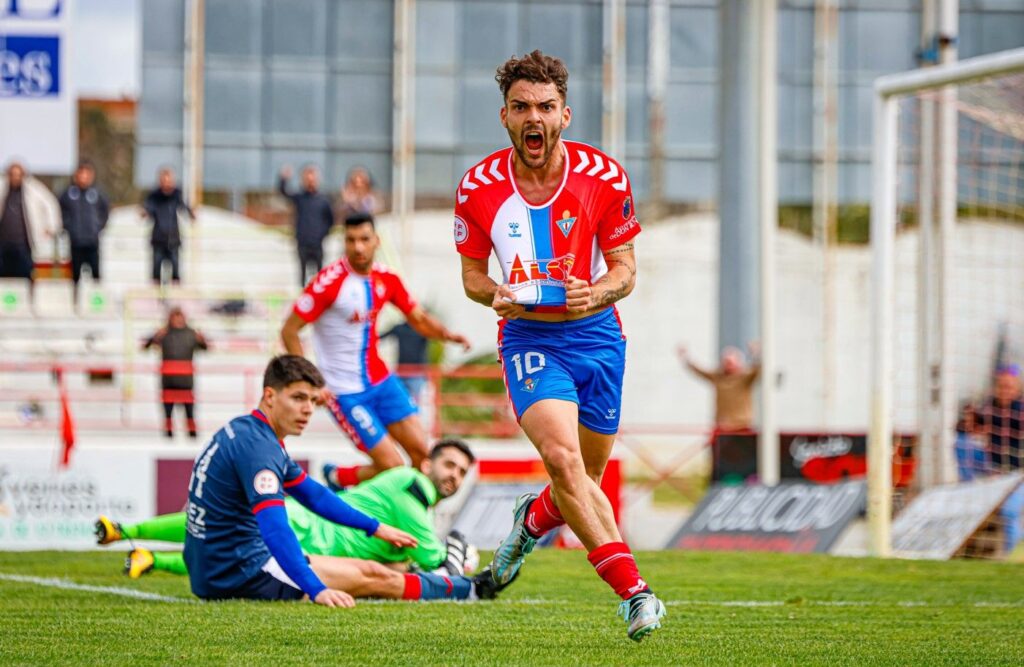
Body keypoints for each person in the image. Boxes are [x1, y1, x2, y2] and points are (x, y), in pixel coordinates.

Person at [454, 50, 664, 641]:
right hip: (527, 337)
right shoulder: (479, 186)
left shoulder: (604, 176)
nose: (533, 117)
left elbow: (625, 273)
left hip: (597, 335)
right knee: (566, 463)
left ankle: (529, 523)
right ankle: (634, 592)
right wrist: (497, 294)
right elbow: (471, 279)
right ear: (505, 117)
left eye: (545, 107)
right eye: (521, 107)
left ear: (564, 115)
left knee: (584, 484)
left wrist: (591, 294)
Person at [174, 354, 509, 605]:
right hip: (239, 571)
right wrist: (316, 589)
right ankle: (472, 590)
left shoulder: (246, 431)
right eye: (298, 398)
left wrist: (375, 527)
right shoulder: (261, 451)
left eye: (312, 401)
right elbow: (276, 530)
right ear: (270, 396)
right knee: (375, 575)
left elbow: (316, 496)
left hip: (214, 565)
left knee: (370, 569)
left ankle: (469, 588)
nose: (307, 409)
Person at [95, 439, 477, 579]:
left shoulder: (411, 495)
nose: (454, 476)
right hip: (305, 532)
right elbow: (432, 556)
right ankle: (128, 532)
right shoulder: (412, 485)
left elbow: (418, 558)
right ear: (427, 464)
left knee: (221, 547)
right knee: (218, 537)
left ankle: (144, 552)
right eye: (449, 465)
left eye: (462, 472)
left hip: (312, 538)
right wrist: (462, 557)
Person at [280, 212, 471, 489]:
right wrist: (312, 384)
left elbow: (417, 318)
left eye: (364, 239)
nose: (358, 247)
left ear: (376, 241)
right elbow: (289, 331)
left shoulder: (386, 278)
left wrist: (446, 334)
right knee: (392, 466)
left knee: (424, 457)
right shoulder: (328, 282)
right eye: (351, 240)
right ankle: (339, 478)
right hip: (344, 392)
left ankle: (412, 522)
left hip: (381, 381)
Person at [976, 364, 1024, 554]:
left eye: (1009, 387)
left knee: (1009, 512)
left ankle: (1010, 555)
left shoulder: (1019, 411)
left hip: (1019, 474)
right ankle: (970, 486)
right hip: (995, 471)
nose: (1005, 391)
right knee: (961, 443)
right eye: (1001, 386)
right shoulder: (989, 409)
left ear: (1017, 389)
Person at [143, 306, 208, 438]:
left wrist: (202, 339)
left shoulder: (191, 333)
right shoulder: (165, 333)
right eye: (175, 317)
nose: (178, 320)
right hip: (168, 378)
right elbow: (146, 346)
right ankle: (168, 435)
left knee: (189, 409)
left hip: (186, 379)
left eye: (180, 317)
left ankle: (192, 435)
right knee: (167, 410)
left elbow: (205, 347)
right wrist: (156, 336)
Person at [0, 161, 56, 305]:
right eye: (13, 175)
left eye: (18, 175)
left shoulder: (33, 189)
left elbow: (50, 204)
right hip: (4, 243)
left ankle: (28, 303)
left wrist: (50, 226)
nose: (15, 178)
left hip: (24, 244)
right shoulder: (2, 188)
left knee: (25, 275)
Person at [677, 342, 761, 432]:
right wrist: (686, 358)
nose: (728, 365)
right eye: (726, 362)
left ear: (738, 362)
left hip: (742, 424)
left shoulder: (745, 377)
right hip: (723, 425)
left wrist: (756, 354)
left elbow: (758, 370)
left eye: (731, 362)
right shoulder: (717, 376)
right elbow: (700, 371)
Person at [59, 160, 110, 307]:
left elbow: (105, 212)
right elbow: (61, 212)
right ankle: (74, 304)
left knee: (95, 273)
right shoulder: (69, 194)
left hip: (92, 241)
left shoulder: (97, 194)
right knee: (75, 274)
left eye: (87, 175)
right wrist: (68, 227)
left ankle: (96, 304)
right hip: (75, 241)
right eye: (81, 174)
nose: (84, 178)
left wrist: (97, 227)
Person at [279, 164, 335, 287]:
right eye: (307, 179)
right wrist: (283, 179)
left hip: (317, 243)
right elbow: (284, 193)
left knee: (320, 275)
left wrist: (322, 235)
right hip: (302, 242)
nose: (310, 182)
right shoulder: (300, 198)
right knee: (302, 275)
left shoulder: (323, 200)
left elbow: (330, 221)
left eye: (313, 179)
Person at [141, 167, 194, 285]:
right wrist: (143, 213)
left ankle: (176, 298)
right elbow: (147, 210)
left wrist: (192, 214)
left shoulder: (177, 195)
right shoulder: (154, 196)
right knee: (155, 272)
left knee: (175, 272)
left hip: (173, 240)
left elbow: (185, 209)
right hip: (158, 239)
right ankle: (155, 300)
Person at [379, 320, 429, 405]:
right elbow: (378, 337)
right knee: (405, 403)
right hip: (404, 373)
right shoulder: (401, 328)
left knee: (409, 403)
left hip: (415, 374)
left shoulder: (421, 329)